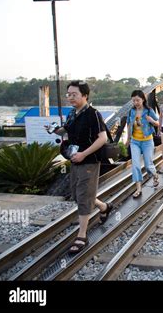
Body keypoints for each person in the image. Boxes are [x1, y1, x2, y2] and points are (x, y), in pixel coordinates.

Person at [48, 81, 113, 255]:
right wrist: (55, 130)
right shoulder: (72, 113)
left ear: (85, 95)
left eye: (74, 94)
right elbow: (67, 131)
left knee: (83, 196)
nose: (70, 97)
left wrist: (84, 154)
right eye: (68, 94)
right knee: (77, 195)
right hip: (74, 159)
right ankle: (104, 207)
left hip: (88, 161)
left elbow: (102, 138)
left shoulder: (93, 114)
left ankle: (82, 235)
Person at [125, 90, 160, 198]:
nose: (135, 102)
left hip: (147, 141)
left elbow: (159, 123)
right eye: (133, 100)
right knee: (135, 165)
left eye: (137, 100)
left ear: (143, 100)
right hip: (135, 141)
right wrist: (128, 139)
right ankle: (139, 189)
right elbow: (129, 125)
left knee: (148, 165)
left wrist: (152, 121)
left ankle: (155, 175)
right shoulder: (131, 111)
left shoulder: (149, 111)